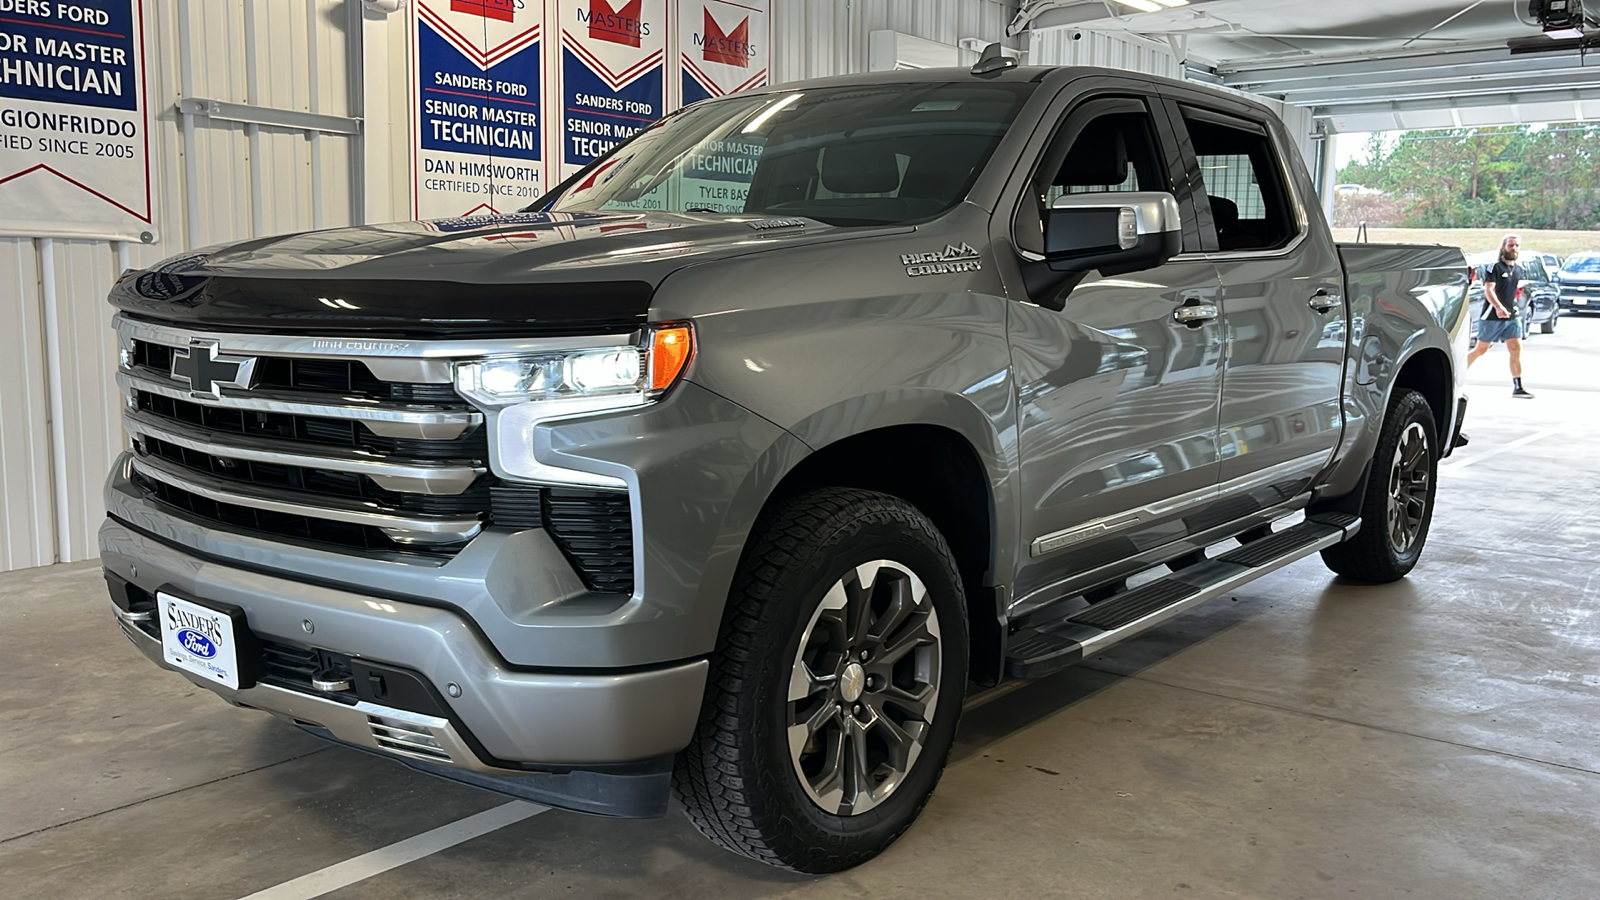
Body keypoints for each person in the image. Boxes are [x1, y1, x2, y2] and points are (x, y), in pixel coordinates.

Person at [1466, 233, 1534, 398]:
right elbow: (1489, 289)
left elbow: (1513, 290)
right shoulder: (1495, 267)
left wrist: (1514, 300)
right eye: (1511, 245)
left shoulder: (1518, 269)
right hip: (1492, 316)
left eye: (1517, 245)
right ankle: (1457, 376)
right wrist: (1498, 307)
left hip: (1512, 316)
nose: (1514, 248)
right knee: (1481, 349)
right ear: (1503, 247)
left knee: (1516, 349)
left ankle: (1518, 386)